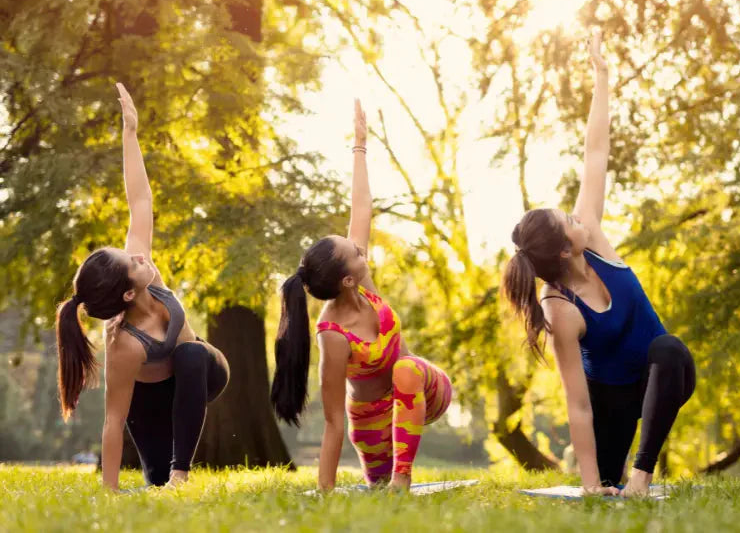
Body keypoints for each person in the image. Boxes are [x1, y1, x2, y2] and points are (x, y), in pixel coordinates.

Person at [501, 32, 696, 497]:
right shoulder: (559, 307)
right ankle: (612, 479)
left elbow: (595, 154)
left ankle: (643, 477)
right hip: (610, 400)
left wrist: (602, 77)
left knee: (668, 347)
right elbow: (578, 401)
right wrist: (590, 485)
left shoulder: (595, 244)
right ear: (563, 250)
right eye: (568, 220)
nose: (577, 216)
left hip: (662, 376)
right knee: (604, 486)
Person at [271, 97, 452, 492]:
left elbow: (361, 207)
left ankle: (403, 478)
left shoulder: (364, 286)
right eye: (354, 252)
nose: (361, 249)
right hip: (370, 421)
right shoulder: (332, 333)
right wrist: (324, 491)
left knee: (406, 369)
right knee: (376, 489)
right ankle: (389, 478)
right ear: (346, 280)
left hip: (421, 390)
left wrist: (360, 145)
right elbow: (335, 418)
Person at [55, 83, 230, 490]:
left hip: (203, 373)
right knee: (154, 485)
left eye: (129, 252)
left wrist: (130, 133)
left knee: (189, 353)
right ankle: (166, 477)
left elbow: (140, 200)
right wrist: (110, 490)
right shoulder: (123, 344)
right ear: (127, 295)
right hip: (150, 406)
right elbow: (114, 420)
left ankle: (182, 474)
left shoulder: (144, 267)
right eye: (131, 262)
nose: (138, 256)